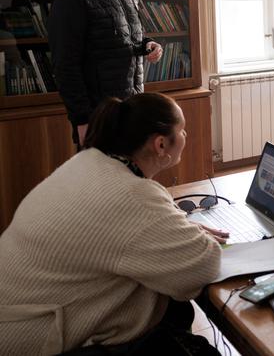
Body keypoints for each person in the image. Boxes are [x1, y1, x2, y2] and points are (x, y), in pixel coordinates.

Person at [0, 93, 224, 354]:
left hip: (18, 316)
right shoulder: (130, 195)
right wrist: (196, 239)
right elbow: (203, 265)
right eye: (182, 130)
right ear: (161, 145)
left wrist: (179, 230)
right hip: (33, 341)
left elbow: (125, 229)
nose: (186, 136)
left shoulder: (89, 161)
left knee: (173, 311)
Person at [48, 0, 163, 146]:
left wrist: (148, 45)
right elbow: (65, 66)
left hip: (132, 108)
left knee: (130, 177)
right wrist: (82, 121)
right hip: (97, 117)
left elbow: (126, 39)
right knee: (102, 180)